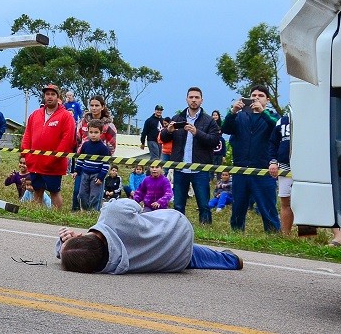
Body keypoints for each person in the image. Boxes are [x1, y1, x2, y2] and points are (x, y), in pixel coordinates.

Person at [55, 199, 243, 274]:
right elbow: (136, 205)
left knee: (188, 254)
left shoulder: (108, 267)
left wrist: (64, 245)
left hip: (177, 258)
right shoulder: (112, 213)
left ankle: (231, 260)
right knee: (144, 219)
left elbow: (77, 256)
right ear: (81, 235)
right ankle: (231, 259)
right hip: (177, 225)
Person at [222, 84, 281, 233]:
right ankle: (236, 233)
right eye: (253, 95)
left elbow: (277, 129)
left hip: (263, 170)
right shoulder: (240, 116)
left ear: (267, 100)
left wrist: (263, 113)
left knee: (267, 206)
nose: (256, 98)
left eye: (260, 96)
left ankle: (273, 234)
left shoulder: (272, 116)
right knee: (238, 206)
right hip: (241, 168)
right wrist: (233, 111)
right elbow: (225, 129)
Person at [162, 87, 221, 225]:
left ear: (202, 100)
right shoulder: (177, 118)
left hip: (199, 168)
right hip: (180, 167)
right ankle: (178, 230)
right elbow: (163, 139)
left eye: (197, 97)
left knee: (204, 205)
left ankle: (205, 231)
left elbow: (214, 141)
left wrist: (197, 132)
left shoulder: (209, 121)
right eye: (191, 97)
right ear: (186, 99)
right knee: (178, 205)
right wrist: (168, 131)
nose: (194, 100)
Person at [21, 84, 76, 210]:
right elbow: (27, 134)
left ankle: (57, 216)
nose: (49, 97)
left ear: (58, 97)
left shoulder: (66, 116)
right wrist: (26, 154)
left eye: (53, 94)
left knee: (54, 191)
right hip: (35, 162)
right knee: (37, 190)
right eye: (47, 94)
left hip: (54, 164)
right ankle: (36, 215)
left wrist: (54, 158)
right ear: (44, 96)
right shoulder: (35, 114)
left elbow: (67, 140)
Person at [74, 119, 112, 211]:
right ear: (88, 132)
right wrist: (76, 171)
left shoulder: (103, 148)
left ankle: (93, 212)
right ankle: (86, 210)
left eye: (96, 132)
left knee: (95, 195)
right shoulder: (85, 145)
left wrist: (101, 177)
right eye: (91, 132)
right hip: (85, 174)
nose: (93, 134)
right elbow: (81, 159)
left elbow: (106, 164)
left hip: (96, 175)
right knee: (82, 194)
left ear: (101, 132)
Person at [273, 114, 294, 234]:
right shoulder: (282, 121)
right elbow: (273, 143)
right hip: (285, 166)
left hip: (305, 167)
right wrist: (273, 161)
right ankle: (286, 234)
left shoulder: (309, 117)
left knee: (305, 203)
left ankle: (306, 236)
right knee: (285, 201)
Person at [210, 110, 227, 176]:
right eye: (213, 115)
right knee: (211, 166)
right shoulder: (209, 123)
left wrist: (224, 155)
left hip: (219, 152)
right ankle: (211, 178)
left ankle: (219, 178)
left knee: (219, 166)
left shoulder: (221, 124)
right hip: (212, 152)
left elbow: (224, 147)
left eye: (216, 115)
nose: (215, 116)